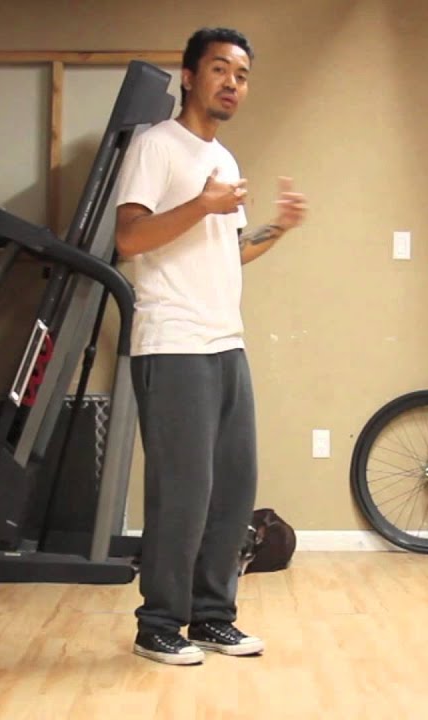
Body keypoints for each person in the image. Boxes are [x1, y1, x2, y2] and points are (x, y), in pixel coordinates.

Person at [112, 26, 307, 665]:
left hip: (226, 342)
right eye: (220, 69)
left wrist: (278, 228)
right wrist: (202, 204)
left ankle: (212, 617)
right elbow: (129, 240)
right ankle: (158, 624)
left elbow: (230, 250)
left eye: (242, 75)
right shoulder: (156, 146)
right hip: (173, 342)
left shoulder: (223, 159)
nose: (232, 83)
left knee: (232, 490)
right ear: (191, 77)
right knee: (182, 493)